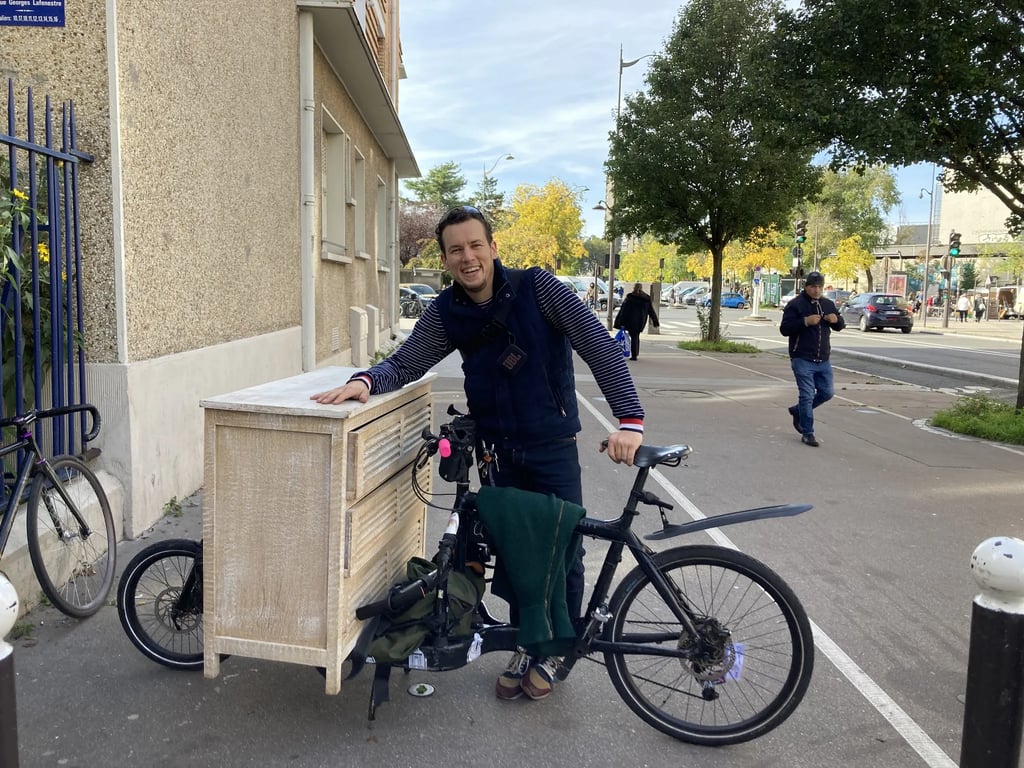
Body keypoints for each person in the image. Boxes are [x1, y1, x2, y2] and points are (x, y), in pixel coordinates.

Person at [310, 205, 646, 702]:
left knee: (563, 549)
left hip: (551, 445)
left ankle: (557, 651)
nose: (467, 257)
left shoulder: (539, 288)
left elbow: (597, 344)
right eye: (455, 250)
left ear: (492, 247)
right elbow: (407, 361)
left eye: (474, 245)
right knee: (517, 552)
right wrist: (366, 381)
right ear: (445, 259)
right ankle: (530, 642)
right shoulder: (447, 311)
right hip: (496, 453)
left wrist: (630, 419)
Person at [779, 271, 845, 447]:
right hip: (802, 357)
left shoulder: (827, 304)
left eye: (819, 287)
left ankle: (797, 411)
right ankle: (808, 433)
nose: (816, 290)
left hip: (823, 359)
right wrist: (805, 322)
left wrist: (836, 320)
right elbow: (785, 329)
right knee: (807, 395)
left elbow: (840, 325)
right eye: (813, 287)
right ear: (806, 287)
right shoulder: (796, 305)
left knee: (827, 392)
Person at [613, 283, 660, 360]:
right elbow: (651, 310)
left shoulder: (630, 297)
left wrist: (621, 322)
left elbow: (624, 311)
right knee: (636, 336)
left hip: (630, 321)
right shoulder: (646, 298)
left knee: (634, 337)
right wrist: (655, 321)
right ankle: (635, 353)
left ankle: (634, 355)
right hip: (640, 321)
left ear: (633, 288)